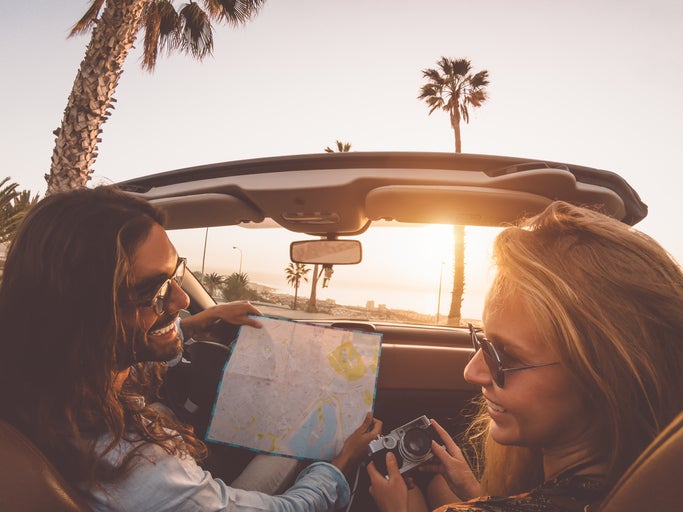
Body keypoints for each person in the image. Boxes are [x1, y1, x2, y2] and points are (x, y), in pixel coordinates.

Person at [0, 185, 382, 511]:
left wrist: (201, 320)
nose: (182, 299)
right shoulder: (144, 472)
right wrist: (340, 464)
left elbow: (129, 349)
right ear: (83, 313)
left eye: (176, 273)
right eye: (156, 291)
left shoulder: (50, 382)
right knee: (285, 447)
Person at [367, 201, 683, 512]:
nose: (472, 372)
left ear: (602, 379)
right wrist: (476, 492)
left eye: (505, 355)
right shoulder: (649, 485)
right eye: (482, 340)